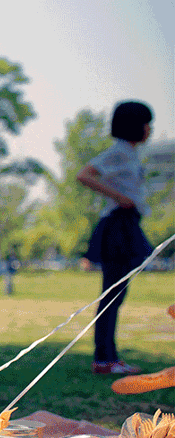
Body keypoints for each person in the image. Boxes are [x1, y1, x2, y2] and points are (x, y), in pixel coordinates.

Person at [77, 100, 154, 375]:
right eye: (146, 123)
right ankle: (103, 359)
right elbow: (84, 175)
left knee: (117, 294)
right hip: (117, 226)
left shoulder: (131, 154)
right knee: (112, 294)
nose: (150, 129)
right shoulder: (119, 152)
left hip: (129, 223)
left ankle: (109, 357)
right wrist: (119, 197)